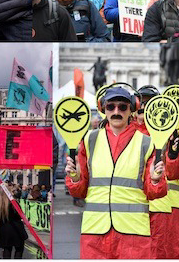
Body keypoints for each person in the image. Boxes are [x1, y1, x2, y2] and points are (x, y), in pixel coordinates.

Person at [65, 86, 166, 258]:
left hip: (133, 233)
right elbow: (79, 191)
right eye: (111, 107)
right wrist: (74, 178)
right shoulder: (90, 139)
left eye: (122, 106)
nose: (116, 111)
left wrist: (156, 180)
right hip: (95, 231)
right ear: (104, 109)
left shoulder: (147, 143)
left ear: (132, 109)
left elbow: (154, 192)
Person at [0, 185, 28, 259]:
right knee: (19, 249)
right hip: (16, 229)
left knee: (7, 249)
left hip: (4, 229)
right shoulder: (14, 203)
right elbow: (20, 215)